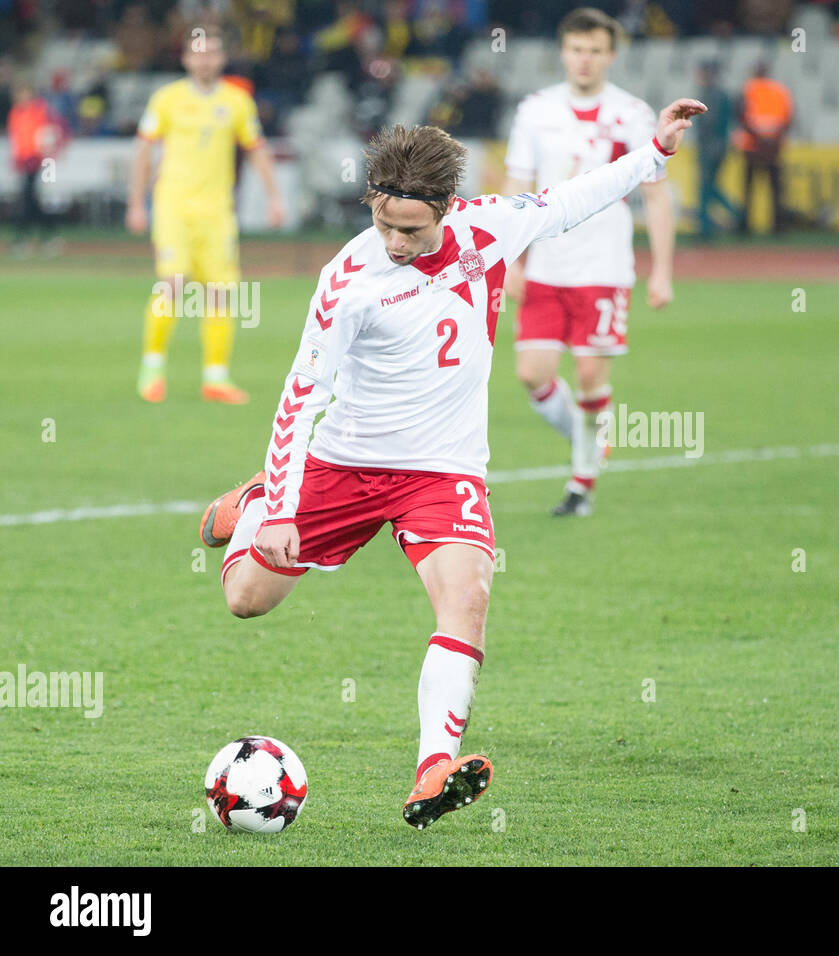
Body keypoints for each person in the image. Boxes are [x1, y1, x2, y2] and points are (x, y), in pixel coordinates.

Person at [197, 96, 705, 828]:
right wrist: (278, 507)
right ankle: (250, 503)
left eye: (411, 229)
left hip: (443, 469)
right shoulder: (348, 281)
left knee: (467, 597)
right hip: (345, 462)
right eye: (383, 223)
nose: (396, 242)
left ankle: (433, 764)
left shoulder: (487, 228)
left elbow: (571, 200)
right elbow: (299, 396)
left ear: (447, 208)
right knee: (245, 600)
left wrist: (652, 153)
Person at [501, 7, 678, 517]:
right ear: (563, 52)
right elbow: (516, 186)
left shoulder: (634, 114)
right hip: (546, 265)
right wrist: (509, 257)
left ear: (610, 55)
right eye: (577, 49)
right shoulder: (535, 110)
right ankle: (592, 441)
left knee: (588, 378)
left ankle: (581, 487)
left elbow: (657, 196)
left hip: (604, 266)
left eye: (595, 51)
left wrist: (662, 269)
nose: (585, 60)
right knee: (531, 373)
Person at [127, 25, 286, 405]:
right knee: (175, 283)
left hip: (218, 211)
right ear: (185, 58)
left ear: (221, 58)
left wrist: (274, 197)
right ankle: (152, 367)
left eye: (211, 52)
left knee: (220, 293)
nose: (204, 59)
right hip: (174, 205)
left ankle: (215, 377)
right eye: (197, 52)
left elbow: (257, 149)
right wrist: (136, 203)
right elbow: (143, 151)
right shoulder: (166, 99)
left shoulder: (237, 100)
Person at [7, 81, 65, 257]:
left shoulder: (40, 111)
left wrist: (47, 156)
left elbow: (52, 133)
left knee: (29, 199)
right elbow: (17, 139)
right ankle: (49, 236)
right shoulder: (16, 113)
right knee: (32, 201)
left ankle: (22, 239)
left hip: (40, 161)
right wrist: (17, 159)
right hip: (24, 162)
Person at [735, 61, 793, 234]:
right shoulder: (780, 90)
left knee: (749, 188)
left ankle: (745, 226)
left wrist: (760, 139)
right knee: (774, 189)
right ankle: (777, 226)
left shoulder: (747, 90)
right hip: (772, 147)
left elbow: (740, 117)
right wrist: (772, 140)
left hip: (753, 146)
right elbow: (788, 119)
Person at [694, 60, 740, 240]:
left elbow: (709, 123)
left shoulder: (710, 95)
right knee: (709, 187)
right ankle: (734, 215)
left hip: (710, 148)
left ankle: (707, 228)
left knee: (706, 188)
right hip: (718, 146)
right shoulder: (721, 95)